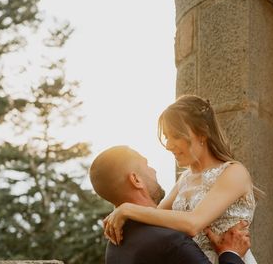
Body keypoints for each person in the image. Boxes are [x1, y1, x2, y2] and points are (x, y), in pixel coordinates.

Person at [103, 95, 258, 264]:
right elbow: (157, 218)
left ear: (202, 133)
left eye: (175, 136)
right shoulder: (185, 179)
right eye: (166, 137)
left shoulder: (234, 173)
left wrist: (127, 209)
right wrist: (123, 216)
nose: (169, 145)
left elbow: (193, 223)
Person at [90, 145, 249, 264]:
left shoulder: (114, 247)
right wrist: (231, 253)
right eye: (147, 165)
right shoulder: (171, 240)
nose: (154, 171)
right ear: (136, 180)